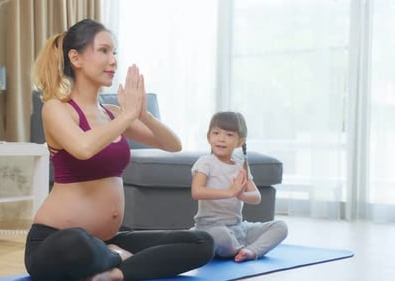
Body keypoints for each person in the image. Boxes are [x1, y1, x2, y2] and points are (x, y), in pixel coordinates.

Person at [24, 18, 214, 281]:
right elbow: (83, 148)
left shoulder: (112, 114)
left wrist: (144, 115)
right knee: (76, 241)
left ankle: (114, 273)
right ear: (76, 58)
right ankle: (114, 257)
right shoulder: (57, 109)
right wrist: (127, 117)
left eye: (114, 52)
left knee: (202, 243)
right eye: (103, 50)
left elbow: (172, 145)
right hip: (55, 242)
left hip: (109, 239)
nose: (113, 60)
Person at [190, 111, 288, 262]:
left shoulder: (240, 165)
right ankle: (236, 248)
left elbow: (256, 197)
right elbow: (197, 192)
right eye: (216, 133)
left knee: (281, 227)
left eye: (229, 135)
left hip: (238, 228)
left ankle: (250, 251)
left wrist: (240, 195)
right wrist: (229, 192)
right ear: (209, 137)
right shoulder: (205, 163)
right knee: (221, 236)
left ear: (240, 141)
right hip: (210, 227)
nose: (221, 139)